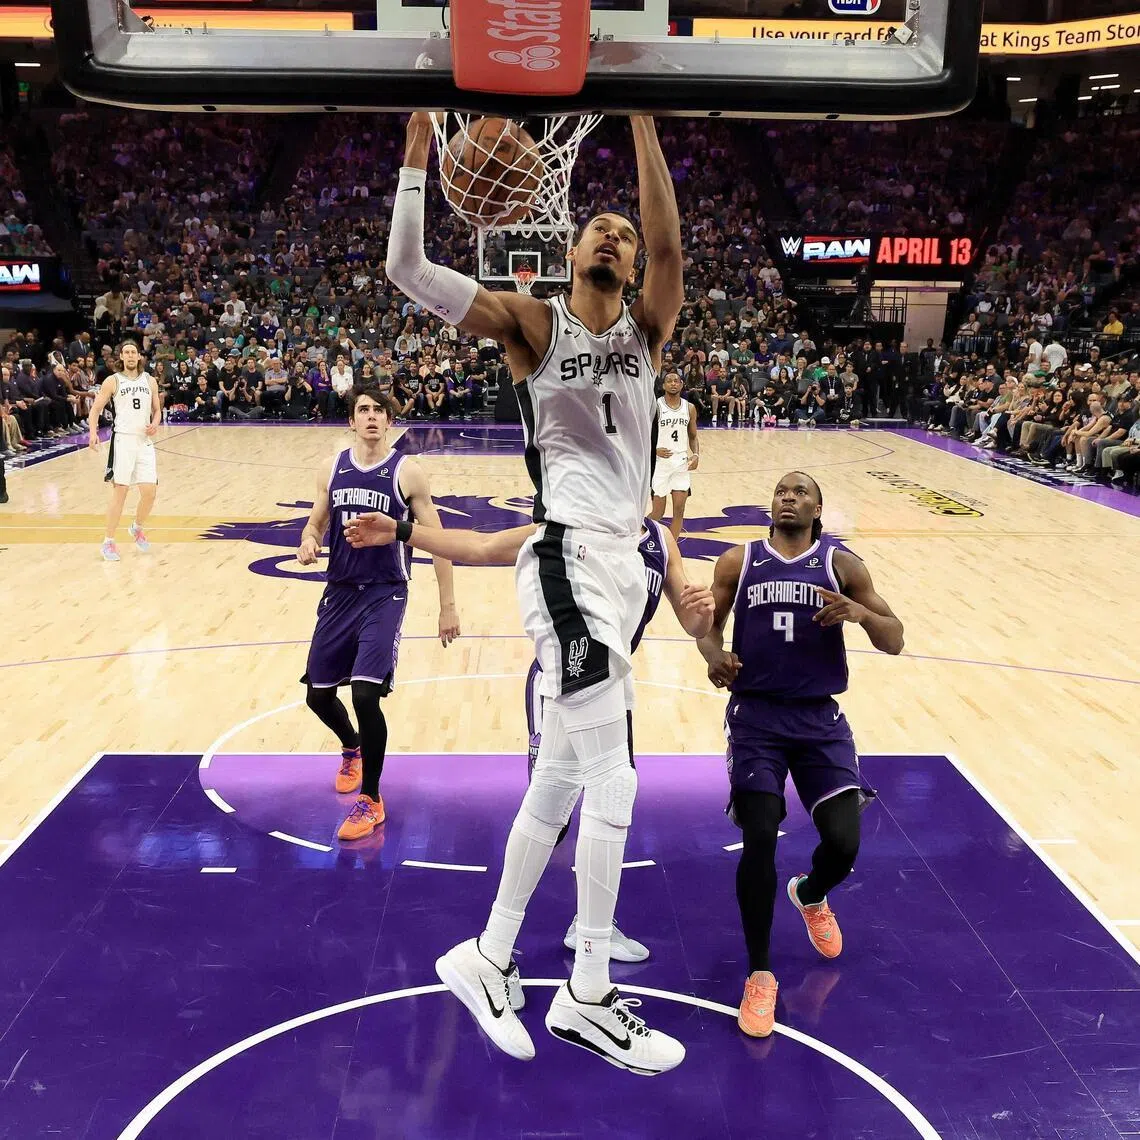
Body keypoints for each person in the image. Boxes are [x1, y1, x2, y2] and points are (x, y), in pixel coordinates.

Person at [384, 111, 685, 1074]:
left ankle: (488, 954)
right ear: (567, 245)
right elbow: (408, 272)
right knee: (617, 778)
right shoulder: (530, 322)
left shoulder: (646, 331)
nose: (616, 234)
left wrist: (642, 123)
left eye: (626, 234)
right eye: (600, 225)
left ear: (636, 267)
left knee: (560, 780)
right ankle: (589, 993)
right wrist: (418, 161)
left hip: (621, 566)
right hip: (563, 563)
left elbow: (672, 239)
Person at [344, 511, 714, 976]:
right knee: (561, 815)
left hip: (611, 682)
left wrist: (702, 618)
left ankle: (566, 934)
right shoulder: (568, 523)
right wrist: (401, 530)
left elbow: (693, 623)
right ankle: (508, 947)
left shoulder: (661, 540)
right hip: (561, 681)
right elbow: (480, 547)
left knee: (608, 801)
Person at [698, 472, 904, 1040]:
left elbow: (896, 637)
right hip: (757, 718)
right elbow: (707, 631)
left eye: (801, 491)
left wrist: (861, 616)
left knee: (844, 843)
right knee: (760, 836)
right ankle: (760, 973)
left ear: (819, 507)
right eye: (780, 490)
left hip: (819, 721)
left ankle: (810, 894)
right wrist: (714, 658)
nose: (787, 496)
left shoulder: (842, 566)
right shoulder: (738, 562)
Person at [296, 386, 461, 841]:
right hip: (340, 592)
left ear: (390, 421)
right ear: (351, 420)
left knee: (366, 695)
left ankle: (371, 799)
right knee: (318, 696)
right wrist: (310, 538)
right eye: (363, 410)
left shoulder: (407, 472)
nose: (371, 417)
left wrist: (447, 605)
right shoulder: (331, 467)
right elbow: (316, 519)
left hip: (385, 592)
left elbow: (439, 540)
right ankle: (353, 749)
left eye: (378, 411)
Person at [86, 341, 161, 562]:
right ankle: (108, 542)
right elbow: (95, 410)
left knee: (150, 492)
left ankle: (136, 527)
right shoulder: (112, 380)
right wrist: (92, 433)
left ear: (139, 357)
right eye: (126, 352)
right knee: (121, 491)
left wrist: (155, 423)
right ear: (122, 356)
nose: (130, 355)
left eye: (133, 352)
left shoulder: (150, 380)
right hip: (123, 442)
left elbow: (157, 410)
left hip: (144, 441)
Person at [650, 370, 698, 541]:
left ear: (681, 384)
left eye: (676, 381)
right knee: (658, 512)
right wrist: (653, 449)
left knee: (679, 510)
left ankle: (672, 549)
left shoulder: (689, 408)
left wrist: (696, 455)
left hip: (680, 463)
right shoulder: (655, 406)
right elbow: (641, 432)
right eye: (669, 381)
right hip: (660, 463)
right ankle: (638, 538)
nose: (673, 384)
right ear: (663, 385)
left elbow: (693, 436)